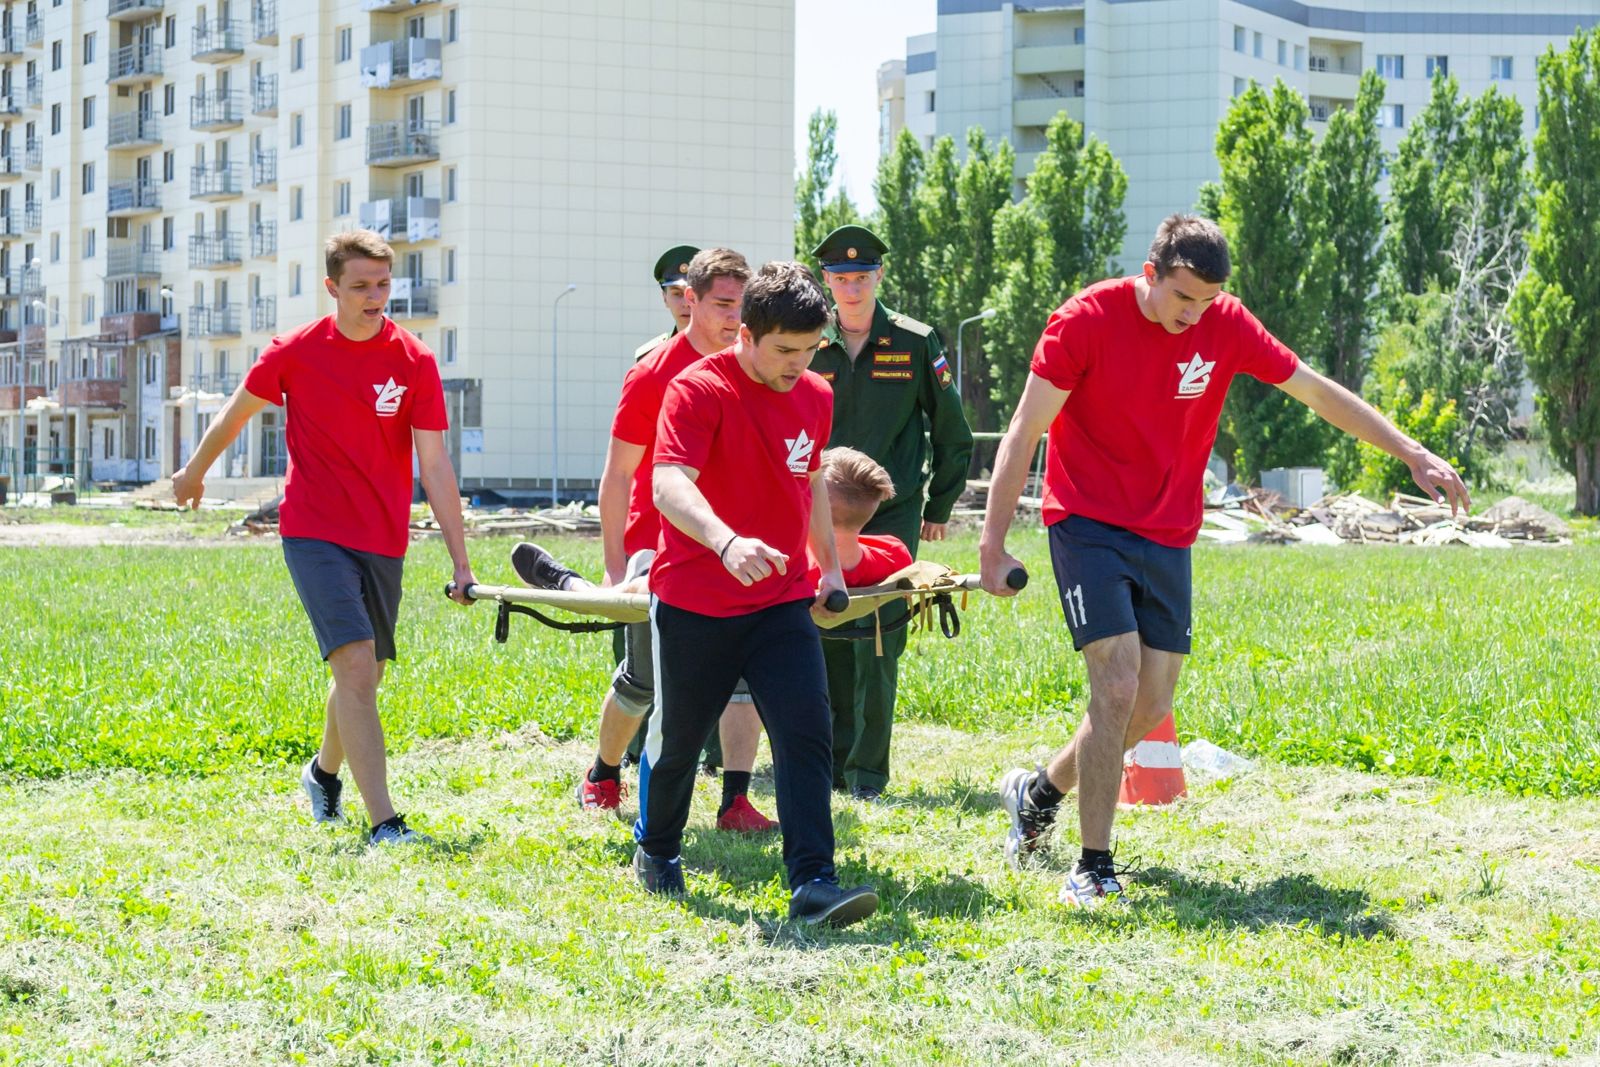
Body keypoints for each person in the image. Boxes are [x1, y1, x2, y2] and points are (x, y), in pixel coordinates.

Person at [979, 214, 1470, 906]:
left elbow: (1315, 390)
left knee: (1149, 704)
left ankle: (1038, 792)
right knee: (1116, 685)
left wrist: (1411, 452)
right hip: (1087, 520)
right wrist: (992, 542)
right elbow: (1024, 430)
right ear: (1150, 275)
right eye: (1183, 300)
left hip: (1169, 529)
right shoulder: (1085, 320)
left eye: (1208, 302)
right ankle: (1091, 866)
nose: (1195, 316)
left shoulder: (1225, 324)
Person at [171, 229, 479, 845]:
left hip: (383, 535)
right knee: (358, 668)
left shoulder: (414, 359)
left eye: (383, 284)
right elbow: (235, 414)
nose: (375, 296)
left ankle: (322, 774)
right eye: (361, 286)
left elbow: (436, 464)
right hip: (313, 530)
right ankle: (384, 824)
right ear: (332, 287)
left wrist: (461, 560)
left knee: (365, 675)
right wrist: (193, 471)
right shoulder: (295, 352)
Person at [634, 260, 878, 927]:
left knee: (806, 733)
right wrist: (725, 540)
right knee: (680, 737)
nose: (800, 363)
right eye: (785, 350)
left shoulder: (816, 396)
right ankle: (656, 850)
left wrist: (828, 567)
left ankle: (814, 880)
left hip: (779, 600)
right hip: (695, 598)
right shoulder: (696, 390)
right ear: (746, 333)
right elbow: (668, 485)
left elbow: (810, 488)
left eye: (810, 349)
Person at [521, 248, 774, 831]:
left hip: (735, 541)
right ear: (689, 300)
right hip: (656, 544)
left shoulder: (757, 368)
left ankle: (735, 799)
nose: (735, 318)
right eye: (723, 305)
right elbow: (617, 476)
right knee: (645, 678)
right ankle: (604, 773)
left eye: (742, 305)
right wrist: (616, 568)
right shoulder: (653, 371)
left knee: (743, 678)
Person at [809, 224, 973, 801]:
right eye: (839, 278)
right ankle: (826, 767)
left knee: (879, 636)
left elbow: (952, 431)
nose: (850, 288)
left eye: (861, 277)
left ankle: (867, 775)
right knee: (825, 625)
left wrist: (940, 504)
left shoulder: (914, 340)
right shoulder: (810, 340)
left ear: (879, 277)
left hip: (891, 514)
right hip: (818, 512)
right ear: (826, 281)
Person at [634, 244, 700, 361]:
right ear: (665, 298)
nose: (686, 303)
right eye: (677, 294)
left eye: (692, 295)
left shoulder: (728, 354)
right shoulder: (650, 357)